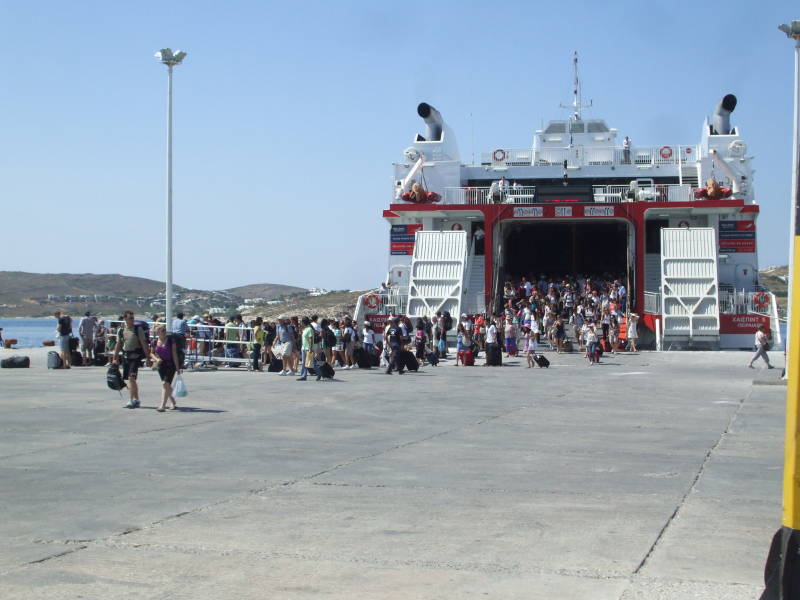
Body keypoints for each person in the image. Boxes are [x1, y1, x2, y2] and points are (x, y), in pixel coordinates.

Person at [112, 311, 153, 408]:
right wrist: (115, 358)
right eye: (130, 318)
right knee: (131, 380)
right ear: (125, 319)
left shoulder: (138, 329)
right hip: (126, 357)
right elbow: (118, 345)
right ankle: (137, 399)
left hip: (135, 357)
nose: (132, 320)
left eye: (133, 318)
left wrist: (148, 358)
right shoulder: (121, 331)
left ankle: (131, 400)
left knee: (131, 378)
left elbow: (144, 344)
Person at [152, 325, 180, 412]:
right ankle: (173, 402)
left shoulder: (171, 341)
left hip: (170, 365)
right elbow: (151, 353)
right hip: (161, 365)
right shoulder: (154, 341)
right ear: (157, 332)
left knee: (165, 383)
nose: (164, 332)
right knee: (167, 385)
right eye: (162, 330)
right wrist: (156, 359)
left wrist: (177, 368)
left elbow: (174, 354)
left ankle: (162, 406)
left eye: (164, 330)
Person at [297, 317, 322, 381]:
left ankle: (319, 373)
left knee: (311, 362)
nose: (300, 323)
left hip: (308, 348)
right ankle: (303, 376)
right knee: (304, 363)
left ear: (304, 322)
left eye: (301, 322)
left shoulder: (309, 329)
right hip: (304, 348)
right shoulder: (304, 329)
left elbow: (311, 339)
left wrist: (310, 348)